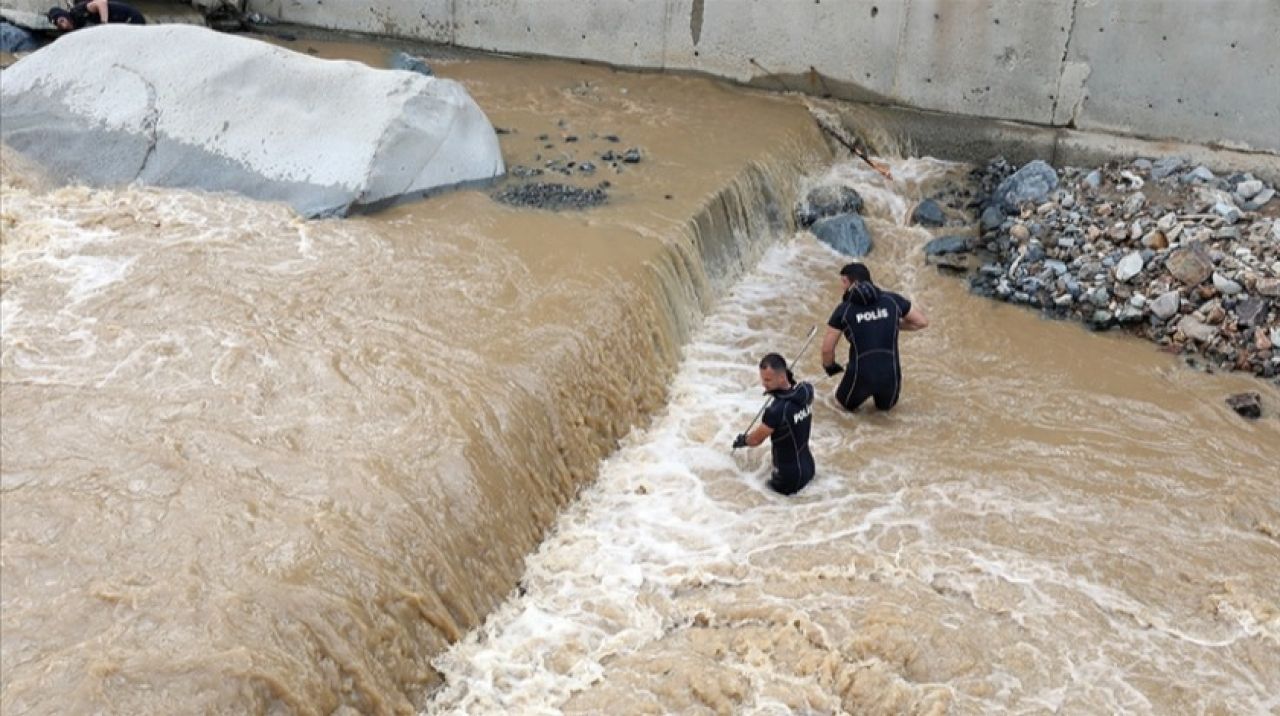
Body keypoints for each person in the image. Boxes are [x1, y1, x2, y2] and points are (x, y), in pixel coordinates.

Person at [821, 262, 928, 412]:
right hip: (891, 377)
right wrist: (889, 323)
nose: (842, 287)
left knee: (838, 408)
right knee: (884, 416)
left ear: (854, 283)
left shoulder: (844, 310)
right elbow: (921, 322)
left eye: (844, 282)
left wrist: (830, 367)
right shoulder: (892, 300)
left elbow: (827, 349)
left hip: (860, 376)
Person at [732, 353, 816, 496]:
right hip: (809, 467)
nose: (764, 384)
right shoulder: (806, 393)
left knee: (756, 496)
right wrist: (779, 392)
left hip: (788, 478)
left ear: (782, 377)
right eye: (763, 379)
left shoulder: (776, 411)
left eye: (768, 380)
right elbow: (795, 392)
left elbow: (755, 440)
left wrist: (743, 441)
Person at [47, 1, 146, 32]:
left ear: (65, 15)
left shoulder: (78, 11)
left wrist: (104, 24)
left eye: (62, 21)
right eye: (59, 25)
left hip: (131, 18)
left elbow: (101, 2)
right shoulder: (73, 27)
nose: (64, 25)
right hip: (120, 25)